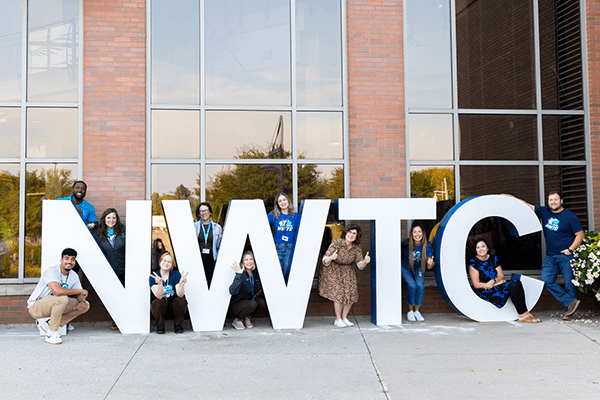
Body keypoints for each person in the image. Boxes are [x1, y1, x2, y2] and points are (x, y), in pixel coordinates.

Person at [506, 192, 583, 320]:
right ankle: (570, 302)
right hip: (550, 257)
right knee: (546, 280)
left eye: (556, 200)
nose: (553, 202)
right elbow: (526, 205)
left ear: (561, 201)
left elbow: (579, 234)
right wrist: (509, 197)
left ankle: (569, 313)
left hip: (565, 256)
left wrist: (570, 249)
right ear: (548, 202)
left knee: (569, 283)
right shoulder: (545, 212)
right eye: (550, 200)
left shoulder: (570, 216)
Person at [468, 238, 541, 323]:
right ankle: (522, 315)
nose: (481, 249)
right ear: (475, 250)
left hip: (495, 286)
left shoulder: (493, 258)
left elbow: (501, 275)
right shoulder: (473, 263)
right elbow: (476, 284)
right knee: (513, 285)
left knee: (516, 283)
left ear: (487, 248)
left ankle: (524, 313)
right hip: (485, 291)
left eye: (483, 246)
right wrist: (495, 283)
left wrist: (493, 281)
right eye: (478, 247)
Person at [27, 248, 90, 344]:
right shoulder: (51, 271)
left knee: (86, 305)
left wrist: (82, 301)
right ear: (61, 260)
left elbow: (80, 294)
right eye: (67, 258)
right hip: (36, 305)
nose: (69, 262)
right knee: (62, 298)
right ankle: (51, 334)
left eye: (72, 259)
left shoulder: (73, 276)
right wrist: (79, 290)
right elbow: (57, 291)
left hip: (55, 304)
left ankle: (48, 325)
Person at [319, 224, 370, 328]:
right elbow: (325, 259)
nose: (351, 235)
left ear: (357, 236)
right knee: (339, 293)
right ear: (346, 232)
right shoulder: (337, 242)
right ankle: (337, 319)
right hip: (334, 269)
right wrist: (331, 257)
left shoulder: (356, 248)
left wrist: (365, 261)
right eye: (350, 232)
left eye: (354, 233)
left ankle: (344, 317)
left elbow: (359, 265)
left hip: (348, 270)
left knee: (351, 293)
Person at [94, 208, 126, 330]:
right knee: (113, 296)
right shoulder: (98, 233)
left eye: (113, 218)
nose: (111, 220)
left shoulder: (123, 230)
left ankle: (124, 319)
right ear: (104, 219)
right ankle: (115, 320)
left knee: (123, 296)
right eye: (108, 218)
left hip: (123, 269)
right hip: (108, 270)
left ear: (117, 219)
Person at [401, 223, 434, 322]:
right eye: (414, 232)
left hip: (419, 267)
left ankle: (416, 311)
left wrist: (430, 263)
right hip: (405, 266)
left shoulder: (426, 245)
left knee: (420, 286)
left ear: (423, 233)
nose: (417, 234)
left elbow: (429, 266)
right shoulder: (406, 243)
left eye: (419, 231)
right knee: (412, 285)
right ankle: (410, 312)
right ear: (411, 233)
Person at [149, 252, 188, 334]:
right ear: (160, 262)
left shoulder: (176, 274)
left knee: (181, 301)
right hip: (162, 306)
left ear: (172, 264)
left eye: (169, 262)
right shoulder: (154, 276)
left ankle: (178, 324)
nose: (166, 263)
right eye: (164, 260)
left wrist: (181, 285)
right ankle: (160, 325)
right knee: (156, 303)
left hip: (173, 306)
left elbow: (180, 294)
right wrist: (160, 284)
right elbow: (159, 296)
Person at [228, 250, 266, 330]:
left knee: (261, 303)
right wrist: (238, 275)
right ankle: (238, 319)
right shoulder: (241, 273)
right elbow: (232, 291)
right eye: (246, 260)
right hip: (236, 306)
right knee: (252, 304)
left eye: (251, 259)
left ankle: (247, 317)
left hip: (248, 301)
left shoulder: (255, 274)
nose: (249, 262)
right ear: (242, 262)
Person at [267, 193, 300, 283]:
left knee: (287, 274)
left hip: (290, 247)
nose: (283, 202)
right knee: (276, 274)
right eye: (280, 201)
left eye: (284, 200)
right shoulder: (273, 215)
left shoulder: (295, 216)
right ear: (277, 204)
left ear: (288, 201)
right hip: (277, 247)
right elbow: (261, 222)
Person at [194, 202, 222, 287]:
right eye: (201, 211)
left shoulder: (217, 227)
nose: (204, 212)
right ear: (199, 213)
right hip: (198, 259)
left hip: (211, 258)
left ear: (210, 212)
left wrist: (220, 237)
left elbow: (218, 246)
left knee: (210, 282)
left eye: (206, 210)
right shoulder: (194, 227)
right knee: (198, 283)